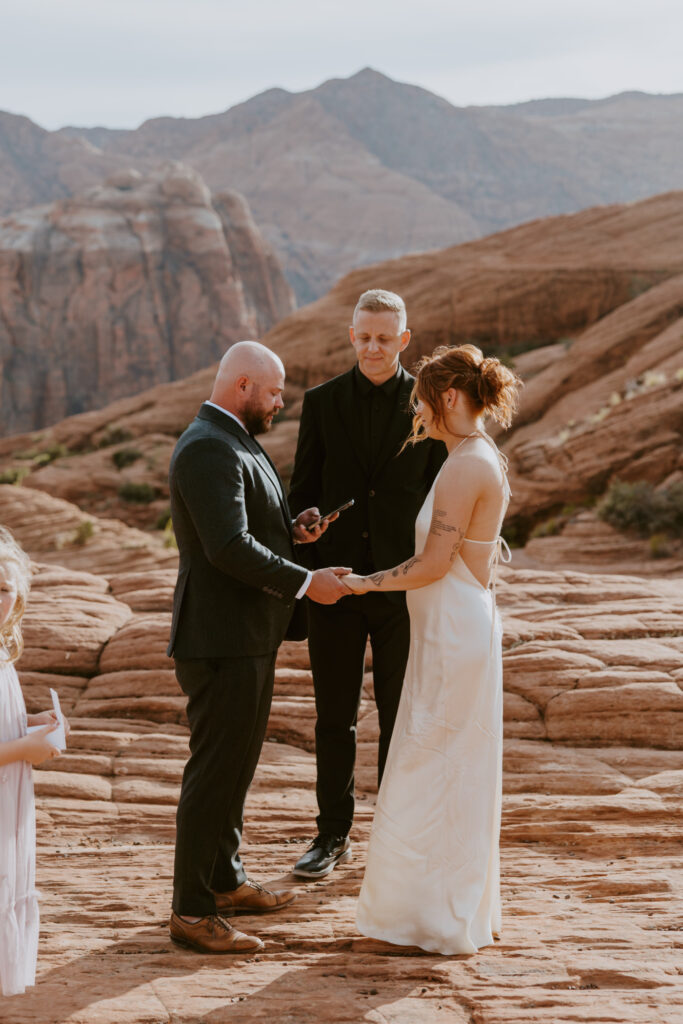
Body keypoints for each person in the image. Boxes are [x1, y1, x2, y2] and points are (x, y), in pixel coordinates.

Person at [167, 341, 351, 955]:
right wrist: (306, 580)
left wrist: (294, 533)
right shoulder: (207, 447)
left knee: (236, 767)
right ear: (243, 384)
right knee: (215, 772)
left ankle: (224, 880)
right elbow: (225, 547)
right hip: (219, 640)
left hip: (246, 635)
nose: (279, 403)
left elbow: (248, 530)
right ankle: (191, 911)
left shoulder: (231, 439)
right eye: (273, 393)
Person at [344, 344, 522, 955]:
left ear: (448, 397)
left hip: (451, 632)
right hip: (448, 629)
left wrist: (359, 584)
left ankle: (435, 916)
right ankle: (439, 907)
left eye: (422, 397)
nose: (416, 409)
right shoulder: (470, 458)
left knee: (434, 767)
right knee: (444, 766)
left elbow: (433, 564)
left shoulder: (466, 465)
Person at [288, 290, 446, 879]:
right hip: (336, 587)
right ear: (350, 335)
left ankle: (397, 835)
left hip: (404, 589)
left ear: (405, 340)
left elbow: (438, 493)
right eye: (363, 336)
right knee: (335, 717)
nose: (373, 347)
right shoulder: (322, 402)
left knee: (401, 715)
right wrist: (301, 521)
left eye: (385, 337)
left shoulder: (431, 407)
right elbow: (303, 486)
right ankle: (332, 835)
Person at [0, 527, 67, 997]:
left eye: (3, 587)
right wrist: (23, 750)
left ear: (19, 597)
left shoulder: (4, 655)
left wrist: (27, 723)